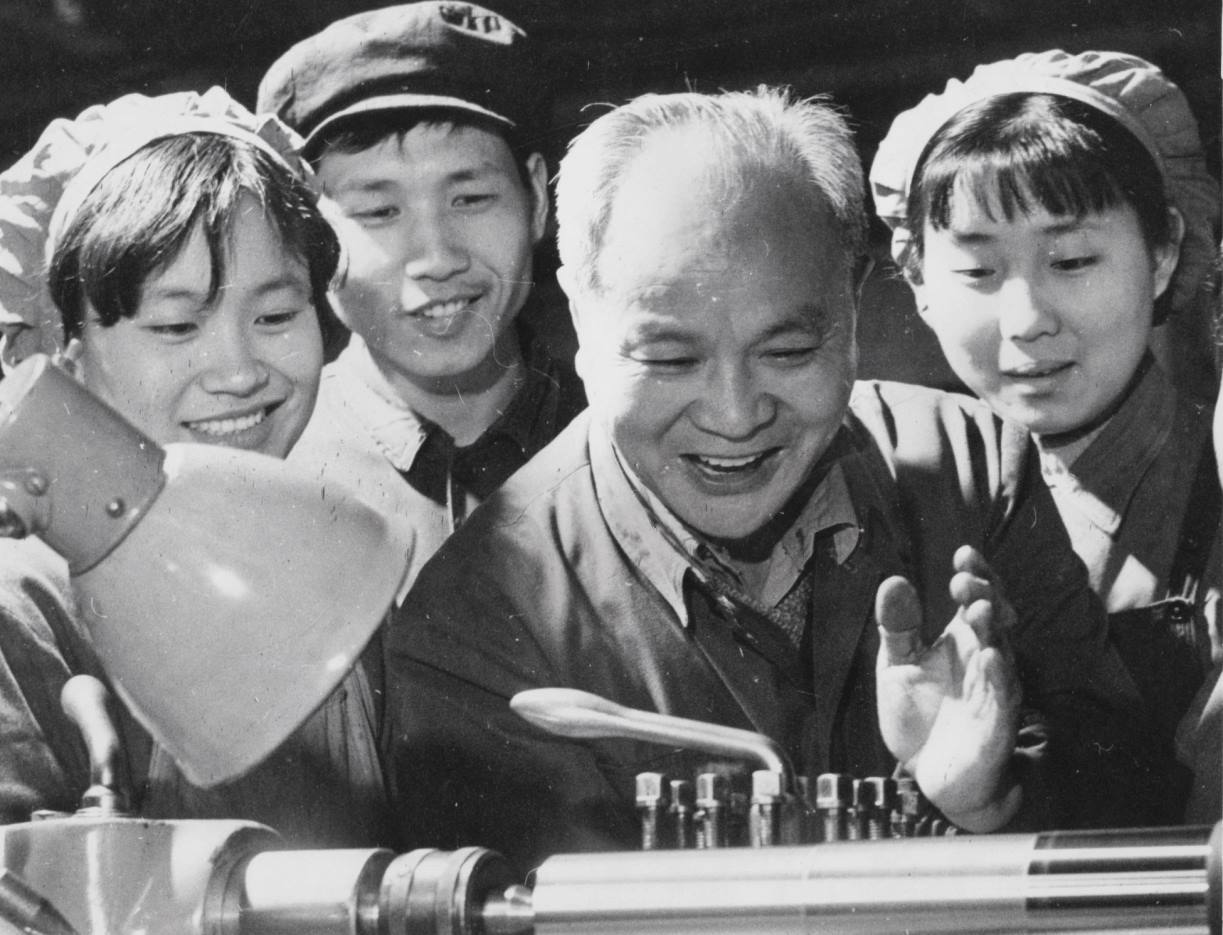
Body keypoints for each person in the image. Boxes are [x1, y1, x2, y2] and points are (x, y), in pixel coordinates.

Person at [382, 87, 1168, 874]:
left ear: (852, 309)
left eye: (787, 351)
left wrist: (989, 798)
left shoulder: (970, 464)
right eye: (669, 358)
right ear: (583, 320)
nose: (734, 415)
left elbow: (1134, 812)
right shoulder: (474, 621)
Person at [0, 89, 392, 846]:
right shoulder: (21, 611)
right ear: (66, 361)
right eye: (178, 325)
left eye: (275, 316)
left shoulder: (328, 560)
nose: (239, 372)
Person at [869, 50, 1222, 819]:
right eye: (977, 271)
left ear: (1162, 251)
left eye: (1071, 259)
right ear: (916, 277)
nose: (1026, 319)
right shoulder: (899, 491)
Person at [258, 1, 586, 596]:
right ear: (305, 236)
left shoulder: (630, 441)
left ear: (537, 199)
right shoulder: (268, 464)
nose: (436, 258)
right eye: (379, 211)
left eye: (471, 198)